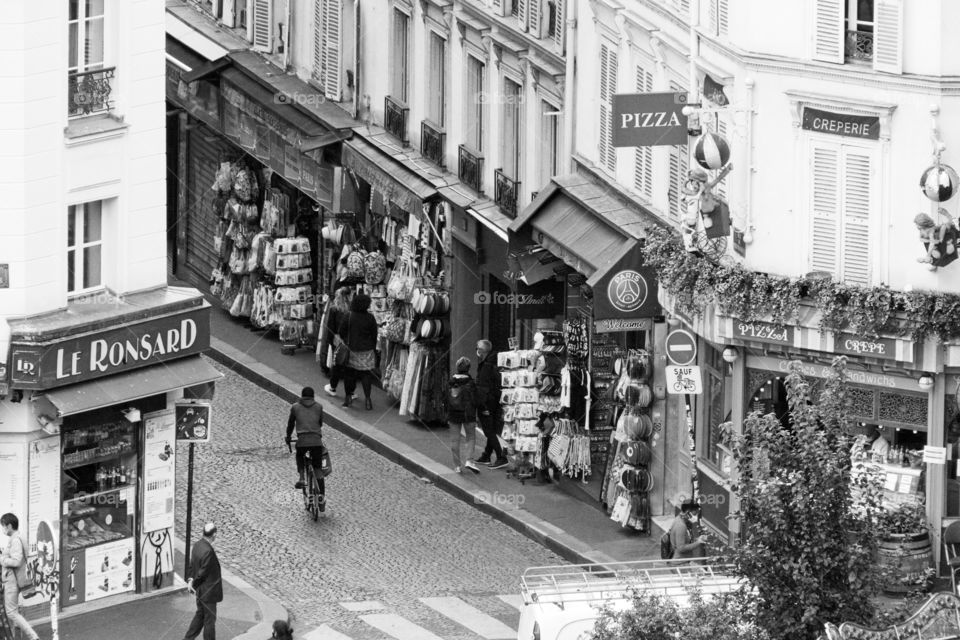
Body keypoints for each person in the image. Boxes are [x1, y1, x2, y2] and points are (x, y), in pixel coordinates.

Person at [1, 513, 40, 640]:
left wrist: (2, 560)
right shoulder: (18, 537)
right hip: (15, 579)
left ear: (9, 526)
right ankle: (13, 636)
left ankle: (33, 636)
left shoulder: (15, 540)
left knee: (11, 612)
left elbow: (17, 561)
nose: (2, 529)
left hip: (12, 580)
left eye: (3, 526)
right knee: (12, 611)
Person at [338, 293, 379, 410]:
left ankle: (348, 398)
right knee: (366, 375)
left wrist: (346, 340)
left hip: (352, 349)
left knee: (349, 374)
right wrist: (372, 347)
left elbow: (341, 331)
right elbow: (374, 335)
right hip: (367, 351)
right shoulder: (370, 318)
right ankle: (368, 400)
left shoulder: (349, 316)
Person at [286, 387, 326, 505]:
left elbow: (290, 424)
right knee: (318, 469)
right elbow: (320, 423)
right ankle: (321, 499)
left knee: (300, 456)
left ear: (302, 396)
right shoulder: (319, 407)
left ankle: (302, 478)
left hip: (302, 441)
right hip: (316, 441)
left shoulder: (295, 407)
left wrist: (288, 437)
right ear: (313, 397)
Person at [184, 523, 223, 640]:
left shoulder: (197, 545)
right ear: (214, 534)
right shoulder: (208, 551)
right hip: (208, 593)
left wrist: (191, 580)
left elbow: (192, 565)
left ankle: (188, 638)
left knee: (200, 616)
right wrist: (193, 583)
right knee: (209, 621)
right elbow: (203, 573)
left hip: (200, 591)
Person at [474, 340, 508, 469]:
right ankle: (486, 455)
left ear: (482, 351)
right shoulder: (496, 362)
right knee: (491, 429)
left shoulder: (486, 366)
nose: (476, 351)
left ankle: (501, 457)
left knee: (488, 430)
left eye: (477, 348)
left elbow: (482, 388)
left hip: (487, 402)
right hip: (496, 400)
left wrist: (482, 405)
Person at [449, 357, 480, 474]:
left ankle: (457, 466)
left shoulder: (451, 382)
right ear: (468, 369)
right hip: (468, 413)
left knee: (454, 440)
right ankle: (469, 460)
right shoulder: (471, 383)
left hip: (453, 414)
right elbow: (476, 399)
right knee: (471, 437)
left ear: (457, 368)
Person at [323, 287, 353, 397]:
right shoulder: (352, 309)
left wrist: (329, 341)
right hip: (350, 340)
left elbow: (330, 326)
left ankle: (333, 387)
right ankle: (350, 392)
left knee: (337, 363)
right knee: (349, 365)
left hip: (338, 339)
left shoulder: (334, 309)